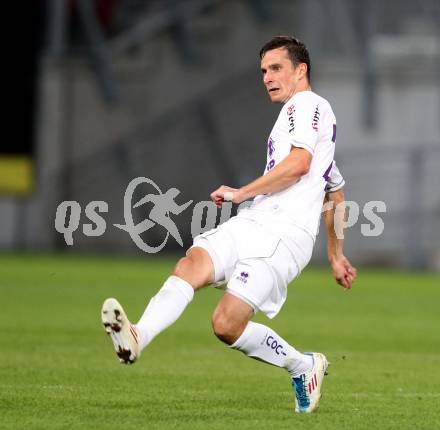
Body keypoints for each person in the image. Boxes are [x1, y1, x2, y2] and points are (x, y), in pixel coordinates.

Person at [101, 36, 357, 414]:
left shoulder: (308, 105)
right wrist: (337, 256)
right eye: (263, 71)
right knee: (191, 264)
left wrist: (241, 192)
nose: (267, 77)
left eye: (276, 68)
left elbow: (300, 165)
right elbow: (334, 188)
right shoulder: (301, 119)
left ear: (301, 70)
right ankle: (138, 335)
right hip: (258, 221)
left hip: (284, 237)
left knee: (225, 324)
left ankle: (304, 366)